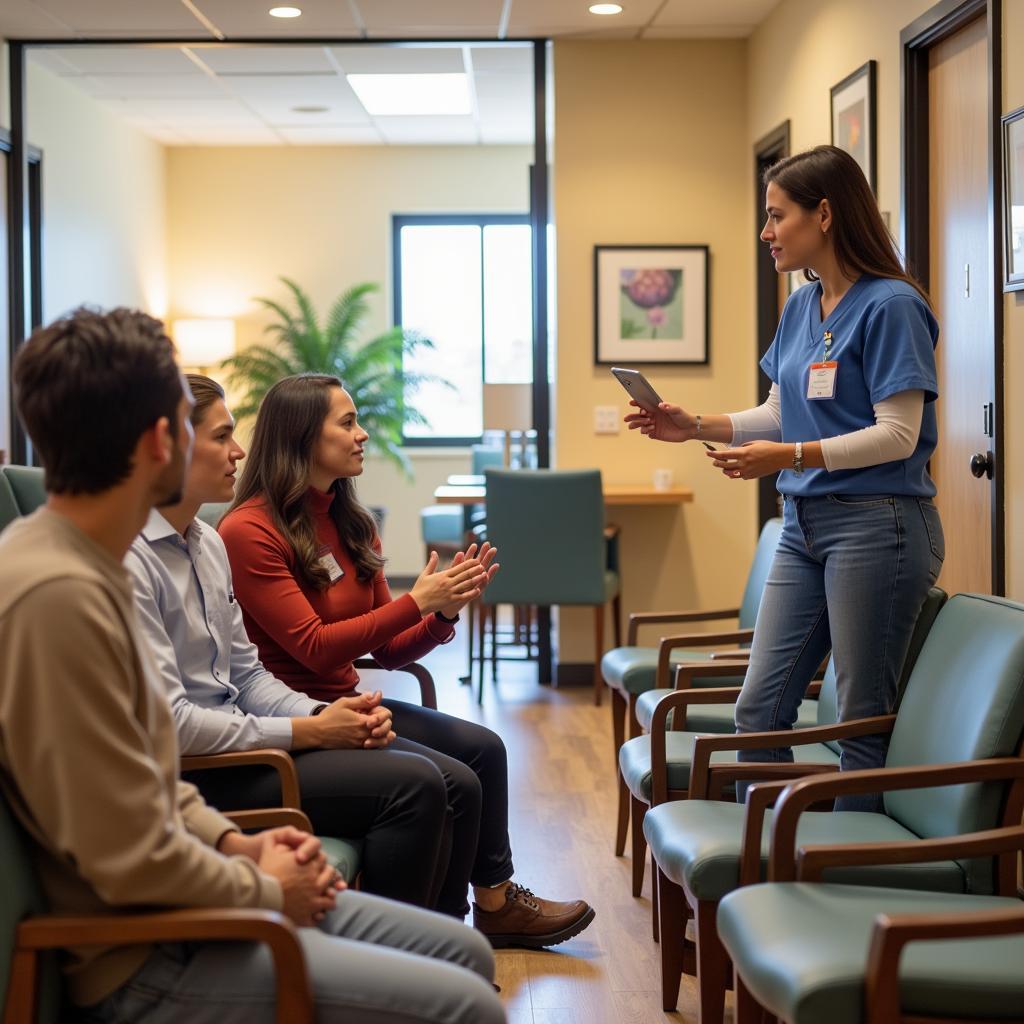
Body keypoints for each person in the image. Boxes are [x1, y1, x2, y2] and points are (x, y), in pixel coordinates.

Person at [0, 306, 503, 1024]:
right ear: (159, 440)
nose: (239, 450)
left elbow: (151, 782)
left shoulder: (105, 564)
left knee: (471, 956)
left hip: (202, 887)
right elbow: (122, 847)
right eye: (211, 427)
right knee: (469, 1004)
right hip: (155, 948)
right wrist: (262, 886)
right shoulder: (58, 594)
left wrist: (241, 840)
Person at [218, 372, 595, 947]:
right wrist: (419, 600)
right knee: (456, 782)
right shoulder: (249, 531)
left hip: (348, 699)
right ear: (300, 439)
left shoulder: (350, 522)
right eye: (346, 423)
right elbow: (316, 646)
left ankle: (492, 903)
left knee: (485, 749)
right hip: (298, 718)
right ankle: (438, 944)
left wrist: (441, 614)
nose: (362, 434)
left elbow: (390, 650)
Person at [626, 145, 944, 812]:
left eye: (777, 216)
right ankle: (764, 867)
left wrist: (790, 457)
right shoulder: (803, 307)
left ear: (824, 214)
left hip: (876, 526)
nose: (766, 233)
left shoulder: (892, 306)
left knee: (859, 718)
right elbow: (778, 411)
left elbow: (898, 434)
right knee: (758, 709)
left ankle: (849, 884)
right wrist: (698, 425)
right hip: (803, 526)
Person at [125, 374, 456, 911]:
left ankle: (445, 944)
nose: (237, 451)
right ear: (168, 448)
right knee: (420, 785)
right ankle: (399, 965)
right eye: (221, 437)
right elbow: (176, 725)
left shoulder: (206, 543)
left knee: (455, 771)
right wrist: (311, 728)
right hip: (208, 769)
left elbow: (248, 677)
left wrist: (325, 716)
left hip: (259, 734)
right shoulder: (147, 557)